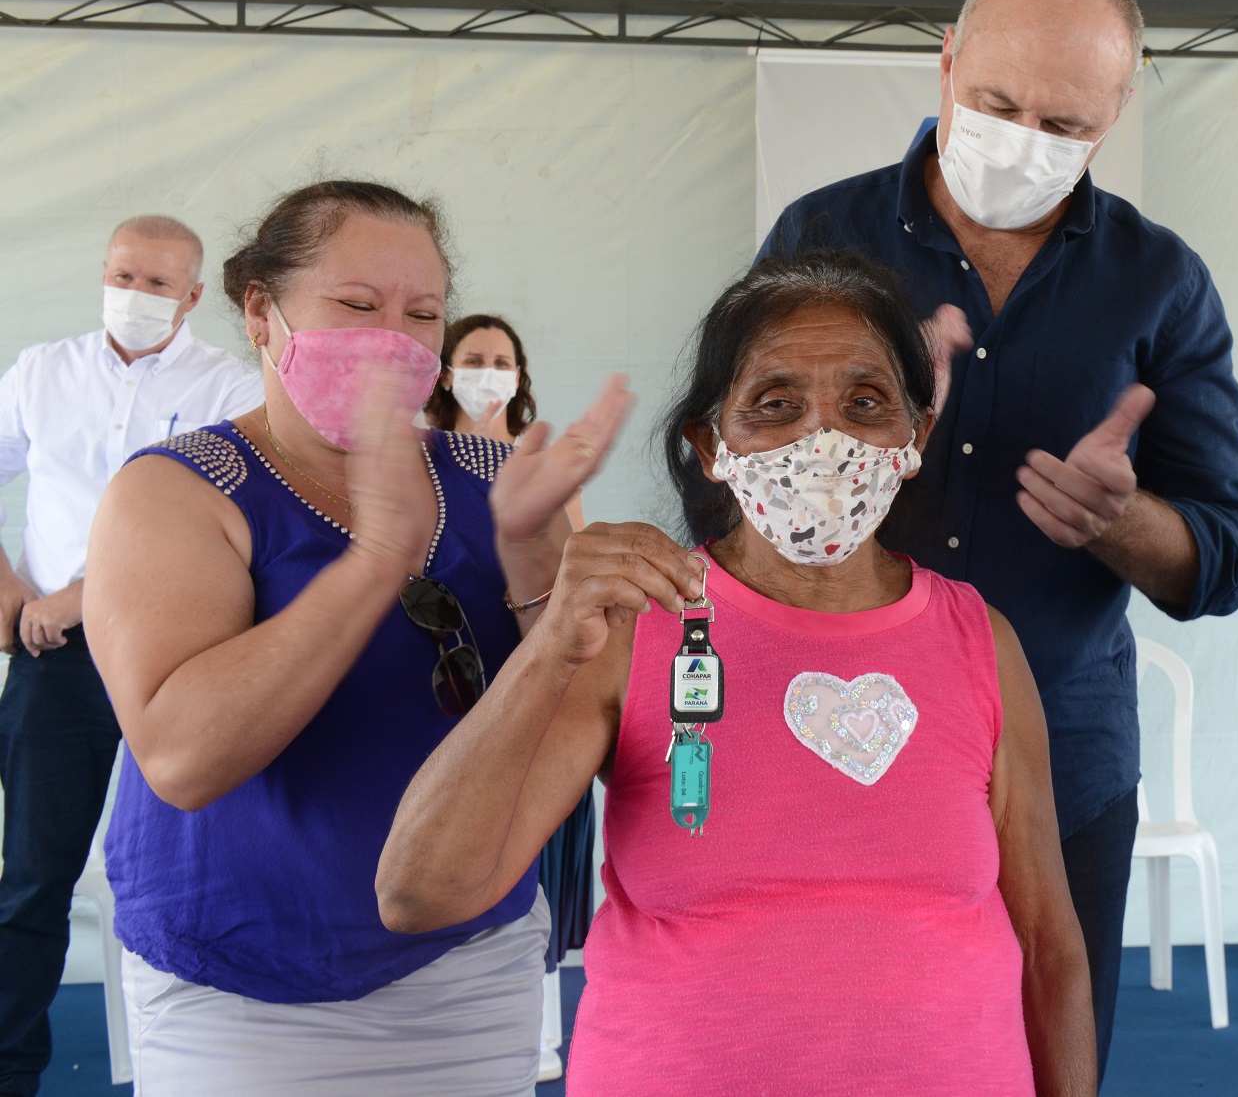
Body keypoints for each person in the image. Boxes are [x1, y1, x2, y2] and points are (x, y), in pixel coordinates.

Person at [376, 250, 1096, 1096]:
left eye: (865, 403)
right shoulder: (633, 626)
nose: (821, 438)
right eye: (774, 404)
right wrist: (547, 646)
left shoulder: (981, 642)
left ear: (915, 438)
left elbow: (1050, 946)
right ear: (709, 446)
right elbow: (419, 892)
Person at [757, 0, 1238, 1077]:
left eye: (1064, 120)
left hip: (1061, 759)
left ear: (1115, 110)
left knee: (1047, 1053)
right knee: (831, 1049)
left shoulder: (1159, 280)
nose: (1023, 138)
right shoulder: (818, 239)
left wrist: (1120, 522)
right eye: (994, 104)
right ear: (944, 61)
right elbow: (723, 482)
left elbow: (1226, 554)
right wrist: (860, 454)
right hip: (833, 740)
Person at [80, 182, 625, 1095]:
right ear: (262, 311)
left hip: (466, 959)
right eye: (357, 305)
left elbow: (576, 718)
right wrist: (376, 562)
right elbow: (181, 755)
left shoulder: (498, 478)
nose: (395, 339)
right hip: (238, 981)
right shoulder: (177, 489)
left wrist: (540, 572)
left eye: (423, 313)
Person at [0, 215, 261, 1097]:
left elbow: (230, 526)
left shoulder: (229, 388)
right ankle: (10, 1069)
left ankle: (206, 1067)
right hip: (56, 663)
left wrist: (82, 592)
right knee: (35, 879)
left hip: (182, 657)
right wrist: (7, 586)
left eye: (157, 284)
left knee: (200, 870)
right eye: (123, 275)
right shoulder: (40, 372)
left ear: (193, 296)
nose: (135, 296)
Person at [423, 311, 592, 1080]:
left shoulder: (547, 462)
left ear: (520, 376)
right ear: (446, 371)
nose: (489, 372)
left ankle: (538, 1033)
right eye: (473, 357)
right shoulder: (413, 456)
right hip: (442, 680)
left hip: (529, 672)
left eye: (503, 360)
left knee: (535, 856)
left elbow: (572, 574)